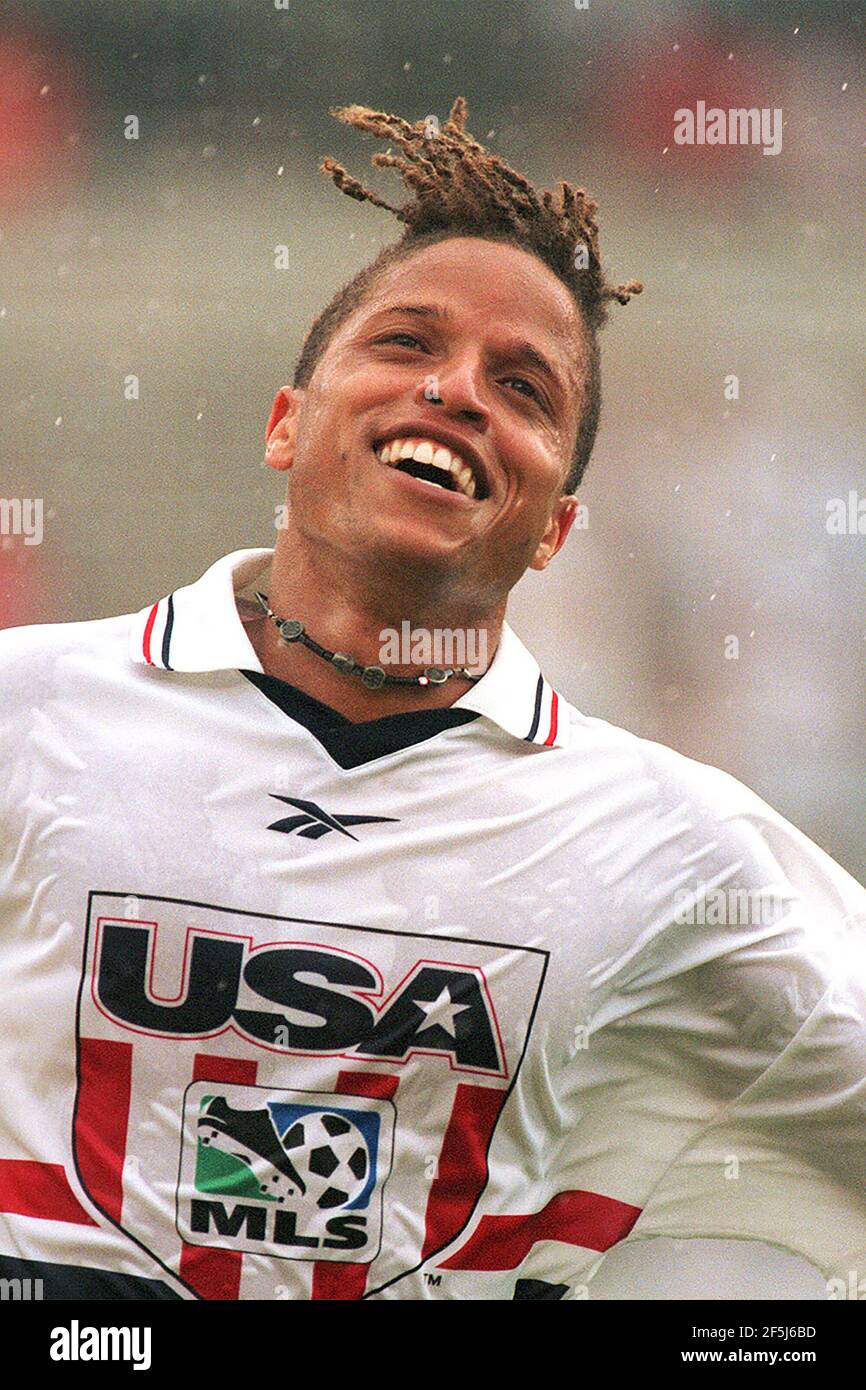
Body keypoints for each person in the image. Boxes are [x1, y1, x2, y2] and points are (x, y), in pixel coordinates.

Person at [0, 98, 864, 1302]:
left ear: (555, 526)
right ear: (284, 424)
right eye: (406, 344)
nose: (457, 390)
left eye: (523, 387)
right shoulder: (25, 711)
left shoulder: (679, 847)